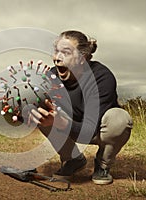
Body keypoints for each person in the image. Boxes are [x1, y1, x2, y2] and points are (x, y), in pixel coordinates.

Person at [30, 30, 133, 185]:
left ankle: (103, 164)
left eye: (66, 52)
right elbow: (32, 110)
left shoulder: (102, 77)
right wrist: (22, 106)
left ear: (82, 58)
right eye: (57, 51)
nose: (57, 58)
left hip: (99, 130)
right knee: (41, 111)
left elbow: (88, 130)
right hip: (69, 125)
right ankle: (72, 159)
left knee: (119, 119)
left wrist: (59, 122)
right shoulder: (51, 77)